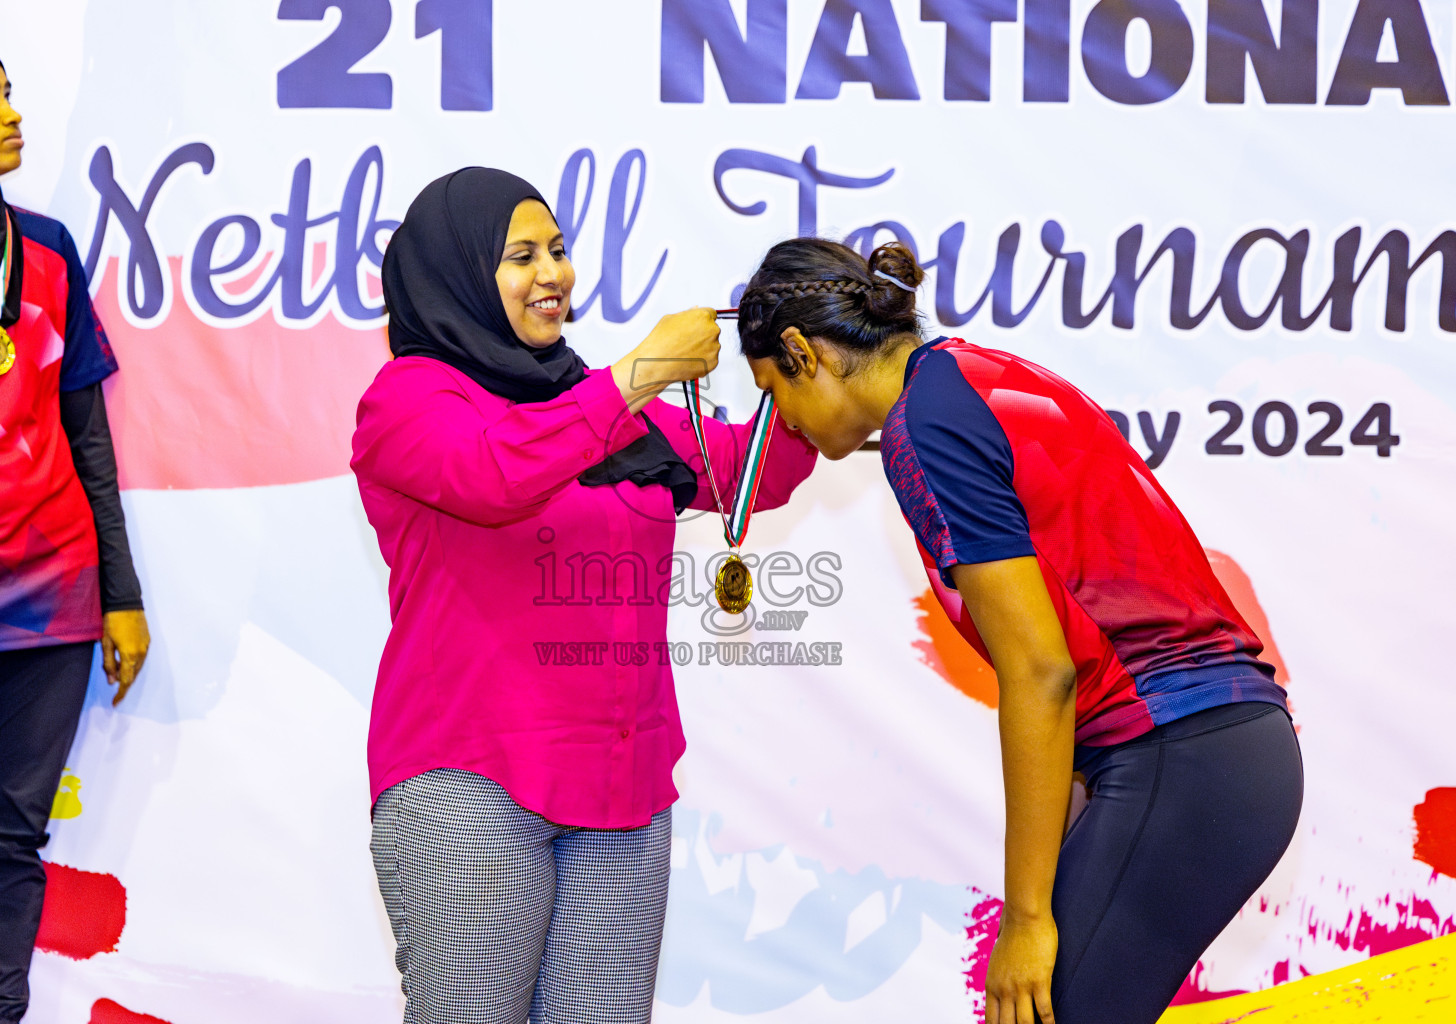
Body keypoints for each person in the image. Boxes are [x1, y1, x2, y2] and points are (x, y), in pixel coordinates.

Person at [735, 237, 1303, 1024]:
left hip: (1185, 752)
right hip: (1210, 751)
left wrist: (1028, 917)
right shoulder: (967, 378)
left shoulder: (924, 428)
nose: (782, 421)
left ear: (801, 352)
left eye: (772, 390)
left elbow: (1042, 670)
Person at [350, 167, 816, 1024]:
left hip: (622, 787)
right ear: (454, 275)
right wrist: (634, 375)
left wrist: (794, 358)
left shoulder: (601, 403)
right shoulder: (410, 399)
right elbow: (494, 476)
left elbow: (759, 476)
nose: (553, 275)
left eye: (559, 251)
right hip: (471, 779)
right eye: (521, 256)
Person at [0, 33, 150, 1024]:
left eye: (10, 94)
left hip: (51, 599)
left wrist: (123, 591)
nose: (10, 113)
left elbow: (86, 435)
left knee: (11, 839)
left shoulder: (48, 247)